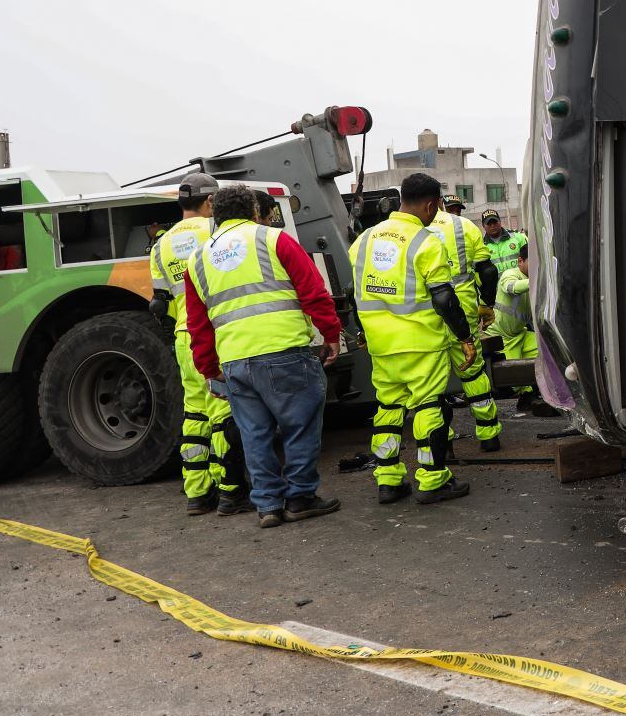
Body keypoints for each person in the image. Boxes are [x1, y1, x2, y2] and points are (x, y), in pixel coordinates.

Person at [183, 183, 342, 529]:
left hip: (235, 363)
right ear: (255, 211)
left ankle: (268, 504)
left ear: (215, 214)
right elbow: (313, 291)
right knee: (299, 426)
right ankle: (300, 497)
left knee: (254, 433)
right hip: (285, 351)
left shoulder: (197, 259)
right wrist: (331, 334)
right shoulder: (274, 239)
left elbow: (197, 323)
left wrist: (209, 368)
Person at [350, 173, 478, 504]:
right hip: (421, 342)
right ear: (431, 204)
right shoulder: (426, 241)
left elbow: (354, 293)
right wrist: (464, 336)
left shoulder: (364, 240)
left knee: (388, 408)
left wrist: (362, 332)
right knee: (429, 407)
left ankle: (389, 481)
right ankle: (433, 480)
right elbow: (444, 299)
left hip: (381, 344)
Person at [148, 172, 249, 516]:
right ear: (210, 202)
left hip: (182, 336)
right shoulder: (214, 232)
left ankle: (196, 493)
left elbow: (160, 299)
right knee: (223, 412)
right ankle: (231, 490)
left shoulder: (160, 244)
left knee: (195, 414)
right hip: (214, 334)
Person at [435, 194, 504, 451]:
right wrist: (486, 304)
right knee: (473, 371)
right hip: (463, 310)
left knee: (432, 382)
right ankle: (488, 435)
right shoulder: (462, 226)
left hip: (425, 317)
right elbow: (487, 271)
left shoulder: (409, 231)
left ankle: (442, 445)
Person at [485, 242, 539, 407]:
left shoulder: (535, 280)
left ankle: (531, 395)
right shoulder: (510, 274)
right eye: (533, 261)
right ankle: (525, 395)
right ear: (520, 261)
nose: (537, 266)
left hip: (520, 333)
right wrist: (536, 280)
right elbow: (511, 287)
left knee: (543, 351)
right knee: (513, 379)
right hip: (503, 337)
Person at [481, 208, 528, 276]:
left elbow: (531, 259)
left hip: (520, 283)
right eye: (489, 224)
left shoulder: (518, 237)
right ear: (483, 226)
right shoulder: (481, 246)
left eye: (495, 222)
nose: (493, 226)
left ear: (500, 221)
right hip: (497, 286)